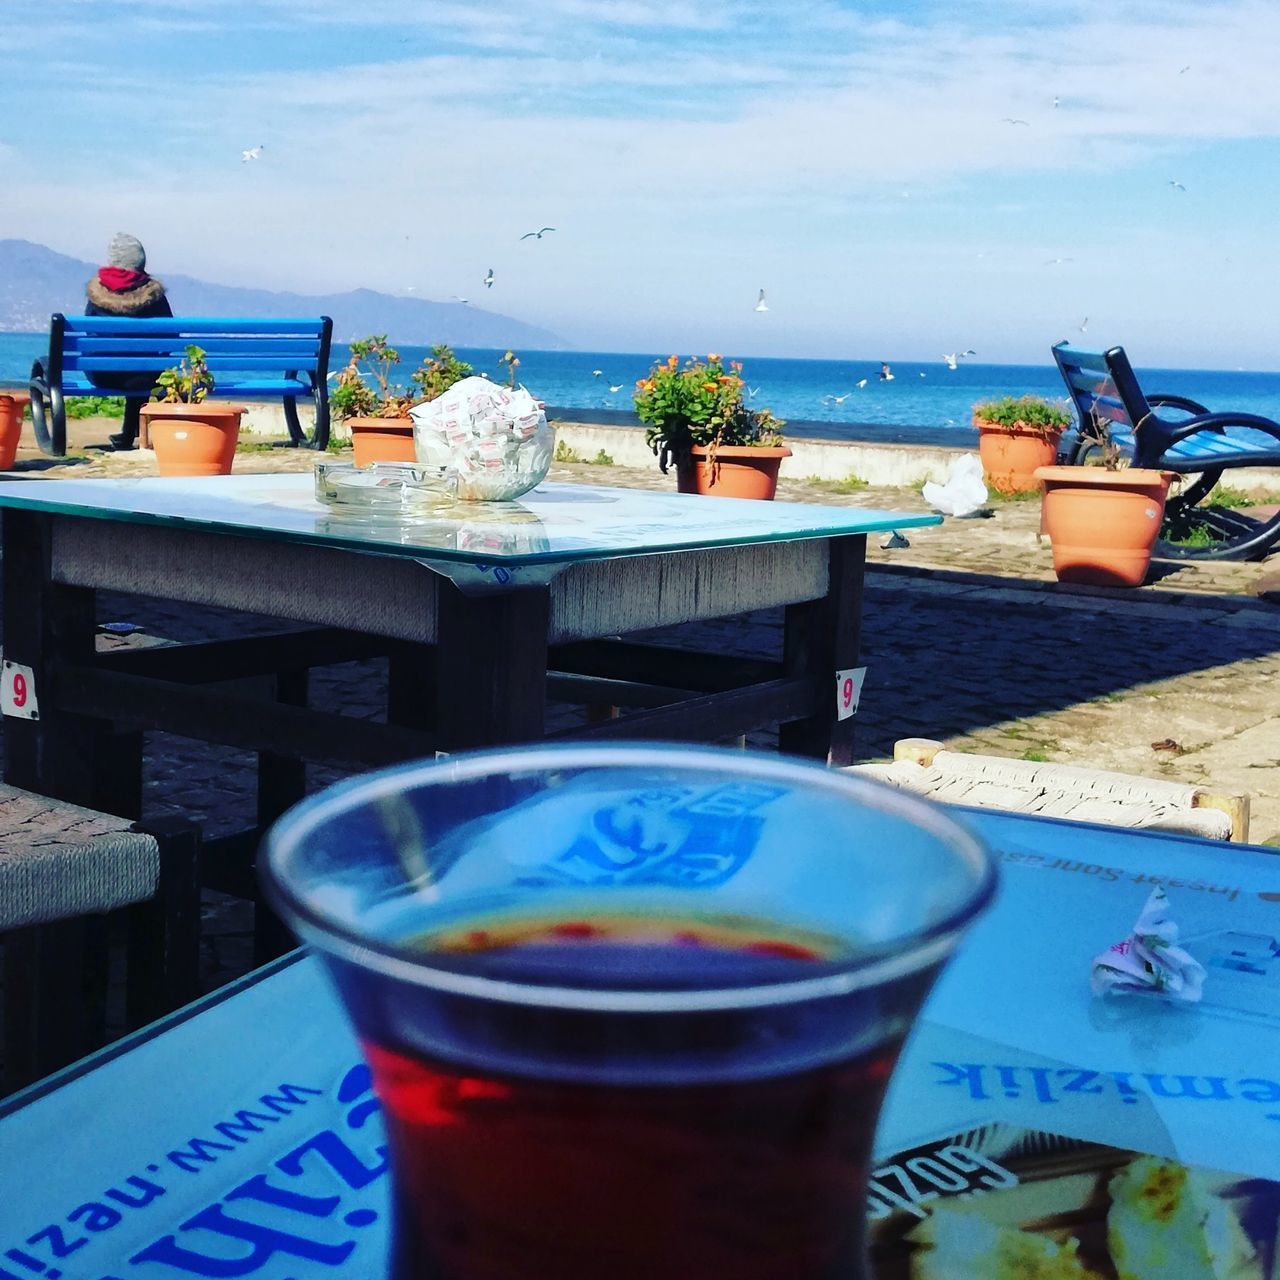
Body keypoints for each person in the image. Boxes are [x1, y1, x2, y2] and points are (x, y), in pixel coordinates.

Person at [84, 233, 173, 449]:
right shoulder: (154, 295)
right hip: (142, 375)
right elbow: (171, 336)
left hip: (103, 374)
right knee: (142, 369)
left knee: (131, 366)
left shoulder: (98, 294)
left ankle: (127, 435)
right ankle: (135, 433)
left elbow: (88, 333)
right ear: (141, 261)